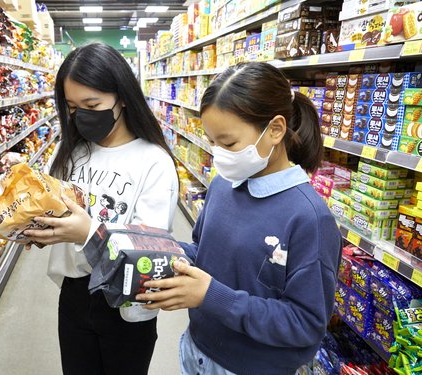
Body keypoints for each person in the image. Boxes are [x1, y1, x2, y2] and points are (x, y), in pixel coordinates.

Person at [136, 62, 342, 375]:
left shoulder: (310, 218)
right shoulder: (222, 185)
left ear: (275, 129)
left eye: (228, 143)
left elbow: (306, 324)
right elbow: (201, 250)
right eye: (214, 142)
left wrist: (211, 296)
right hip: (196, 349)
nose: (218, 154)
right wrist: (160, 253)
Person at [24, 43, 179, 375]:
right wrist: (34, 225)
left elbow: (149, 255)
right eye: (72, 107)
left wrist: (88, 233)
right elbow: (55, 210)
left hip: (125, 301)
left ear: (122, 96)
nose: (82, 116)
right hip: (76, 293)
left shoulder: (153, 161)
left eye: (92, 104)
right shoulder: (72, 153)